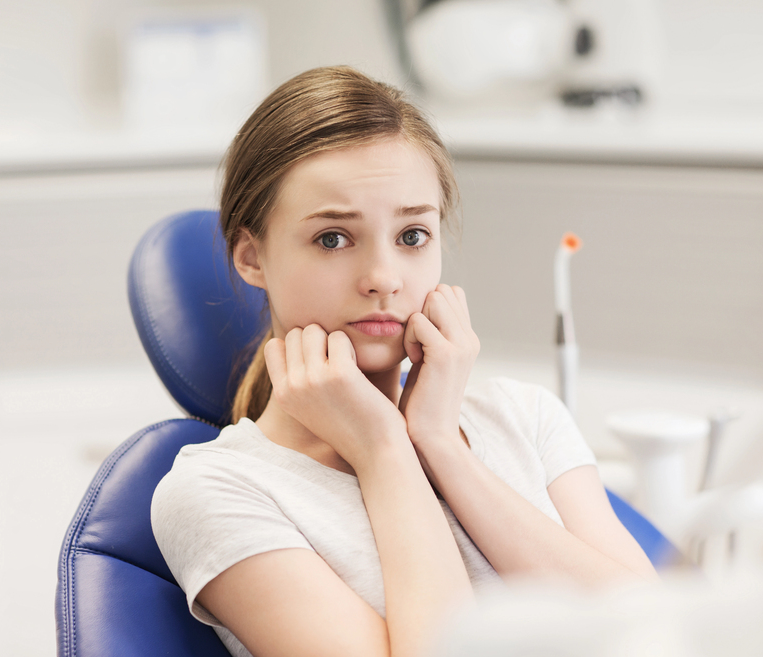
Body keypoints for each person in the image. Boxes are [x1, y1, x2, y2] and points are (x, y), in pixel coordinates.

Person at [151, 65, 658, 657]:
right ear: (252, 257)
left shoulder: (526, 417)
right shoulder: (218, 492)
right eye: (333, 238)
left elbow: (653, 631)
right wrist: (385, 449)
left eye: (413, 235)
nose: (384, 279)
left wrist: (441, 446)